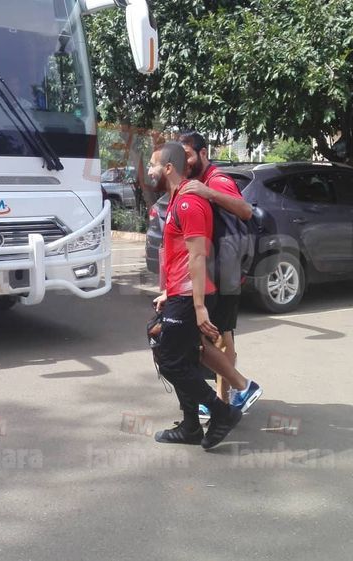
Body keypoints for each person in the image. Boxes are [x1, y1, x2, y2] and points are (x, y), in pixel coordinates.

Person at [148, 141, 242, 450]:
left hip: (191, 297)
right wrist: (169, 291)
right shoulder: (178, 198)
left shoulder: (189, 202)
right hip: (181, 293)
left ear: (168, 168)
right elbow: (177, 255)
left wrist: (199, 306)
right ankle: (190, 426)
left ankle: (222, 412)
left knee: (170, 360)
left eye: (153, 165)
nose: (149, 171)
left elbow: (198, 256)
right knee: (183, 357)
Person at [177, 132, 263, 416]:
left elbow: (246, 210)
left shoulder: (217, 180)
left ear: (203, 153)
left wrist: (209, 193)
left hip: (225, 273)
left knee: (218, 338)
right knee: (223, 336)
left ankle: (224, 400)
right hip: (219, 272)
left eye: (188, 155)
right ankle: (226, 397)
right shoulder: (199, 180)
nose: (184, 162)